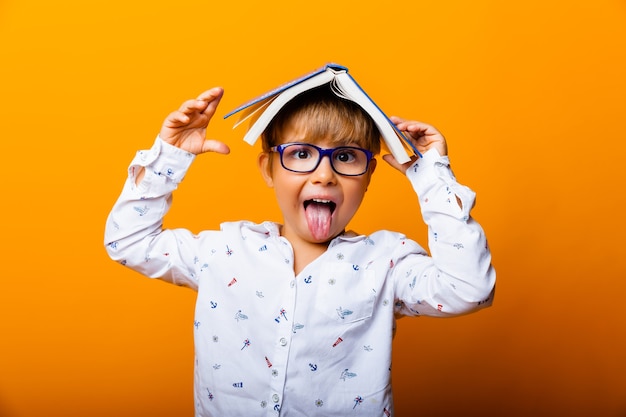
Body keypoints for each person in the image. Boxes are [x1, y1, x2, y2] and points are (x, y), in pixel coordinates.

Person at [104, 83, 495, 416]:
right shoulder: (223, 251)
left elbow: (469, 289)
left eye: (345, 157)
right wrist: (168, 157)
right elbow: (129, 242)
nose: (324, 174)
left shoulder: (387, 262)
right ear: (268, 169)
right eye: (301, 154)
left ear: (369, 175)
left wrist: (431, 176)